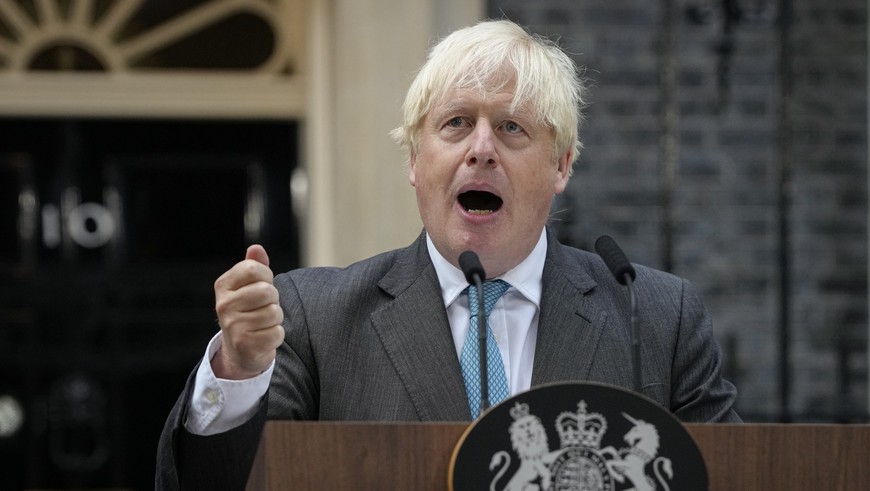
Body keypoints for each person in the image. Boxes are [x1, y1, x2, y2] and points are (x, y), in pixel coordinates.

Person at [155, 18, 740, 490]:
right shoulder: (314, 317)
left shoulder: (656, 317)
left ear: (561, 165)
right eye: (456, 123)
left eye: (512, 127)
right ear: (414, 161)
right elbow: (218, 482)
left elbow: (737, 476)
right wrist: (237, 370)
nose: (481, 149)